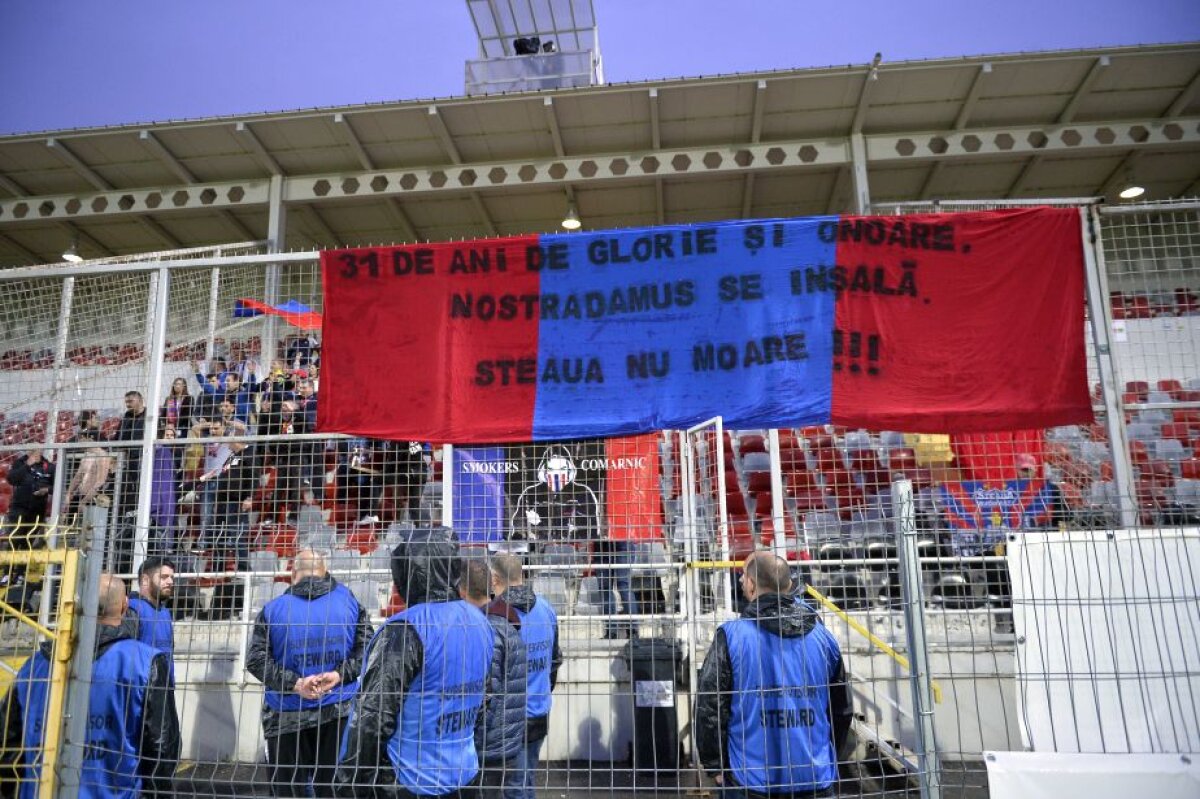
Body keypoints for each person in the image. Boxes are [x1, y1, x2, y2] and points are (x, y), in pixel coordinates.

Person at [336, 526, 494, 799]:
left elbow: (372, 717)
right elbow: (485, 697)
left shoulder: (405, 630)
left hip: (413, 778)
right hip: (464, 770)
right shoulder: (479, 621)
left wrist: (349, 783)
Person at [0, 573, 180, 799]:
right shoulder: (145, 663)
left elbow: (8, 746)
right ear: (125, 607)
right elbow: (162, 750)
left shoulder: (34, 666)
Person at [695, 552, 852, 798]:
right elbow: (841, 708)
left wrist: (715, 765)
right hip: (815, 776)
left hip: (750, 779)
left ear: (750, 584)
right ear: (790, 584)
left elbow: (710, 706)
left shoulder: (732, 636)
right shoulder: (824, 638)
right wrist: (829, 757)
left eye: (743, 577)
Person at [247, 550, 373, 798]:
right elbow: (368, 649)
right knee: (333, 788)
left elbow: (256, 659)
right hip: (339, 709)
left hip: (286, 714)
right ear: (324, 571)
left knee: (289, 789)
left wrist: (296, 684)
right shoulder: (350, 602)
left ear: (293, 574)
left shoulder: (273, 609)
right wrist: (339, 674)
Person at [489, 554, 561, 799]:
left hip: (509, 717)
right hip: (539, 710)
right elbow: (554, 660)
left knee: (514, 786)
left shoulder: (496, 616)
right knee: (527, 780)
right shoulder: (547, 609)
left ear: (495, 579)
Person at [459, 559, 528, 799]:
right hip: (506, 742)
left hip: (489, 747)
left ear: (462, 590)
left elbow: (485, 696)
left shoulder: (485, 629)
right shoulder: (507, 624)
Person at [128, 556, 177, 673]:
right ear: (145, 580)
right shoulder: (132, 609)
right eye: (164, 577)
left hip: (164, 687)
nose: (170, 582)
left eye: (172, 577)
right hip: (141, 687)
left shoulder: (165, 612)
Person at [4, 449, 55, 551]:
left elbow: (59, 486)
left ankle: (22, 567)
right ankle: (7, 566)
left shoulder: (49, 467)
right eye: (31, 450)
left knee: (27, 541)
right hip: (19, 507)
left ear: (41, 451)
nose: (33, 453)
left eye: (36, 450)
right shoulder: (20, 463)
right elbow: (12, 479)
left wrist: (46, 490)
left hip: (38, 509)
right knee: (14, 537)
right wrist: (27, 465)